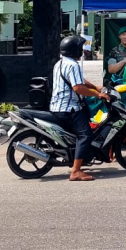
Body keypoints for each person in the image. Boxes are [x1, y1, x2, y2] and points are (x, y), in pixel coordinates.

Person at [51, 35, 110, 181]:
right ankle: (75, 171)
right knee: (85, 135)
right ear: (74, 49)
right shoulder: (73, 65)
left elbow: (79, 80)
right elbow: (78, 87)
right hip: (69, 109)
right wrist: (97, 94)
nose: (82, 50)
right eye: (80, 48)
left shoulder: (60, 63)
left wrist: (95, 86)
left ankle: (79, 159)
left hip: (57, 107)